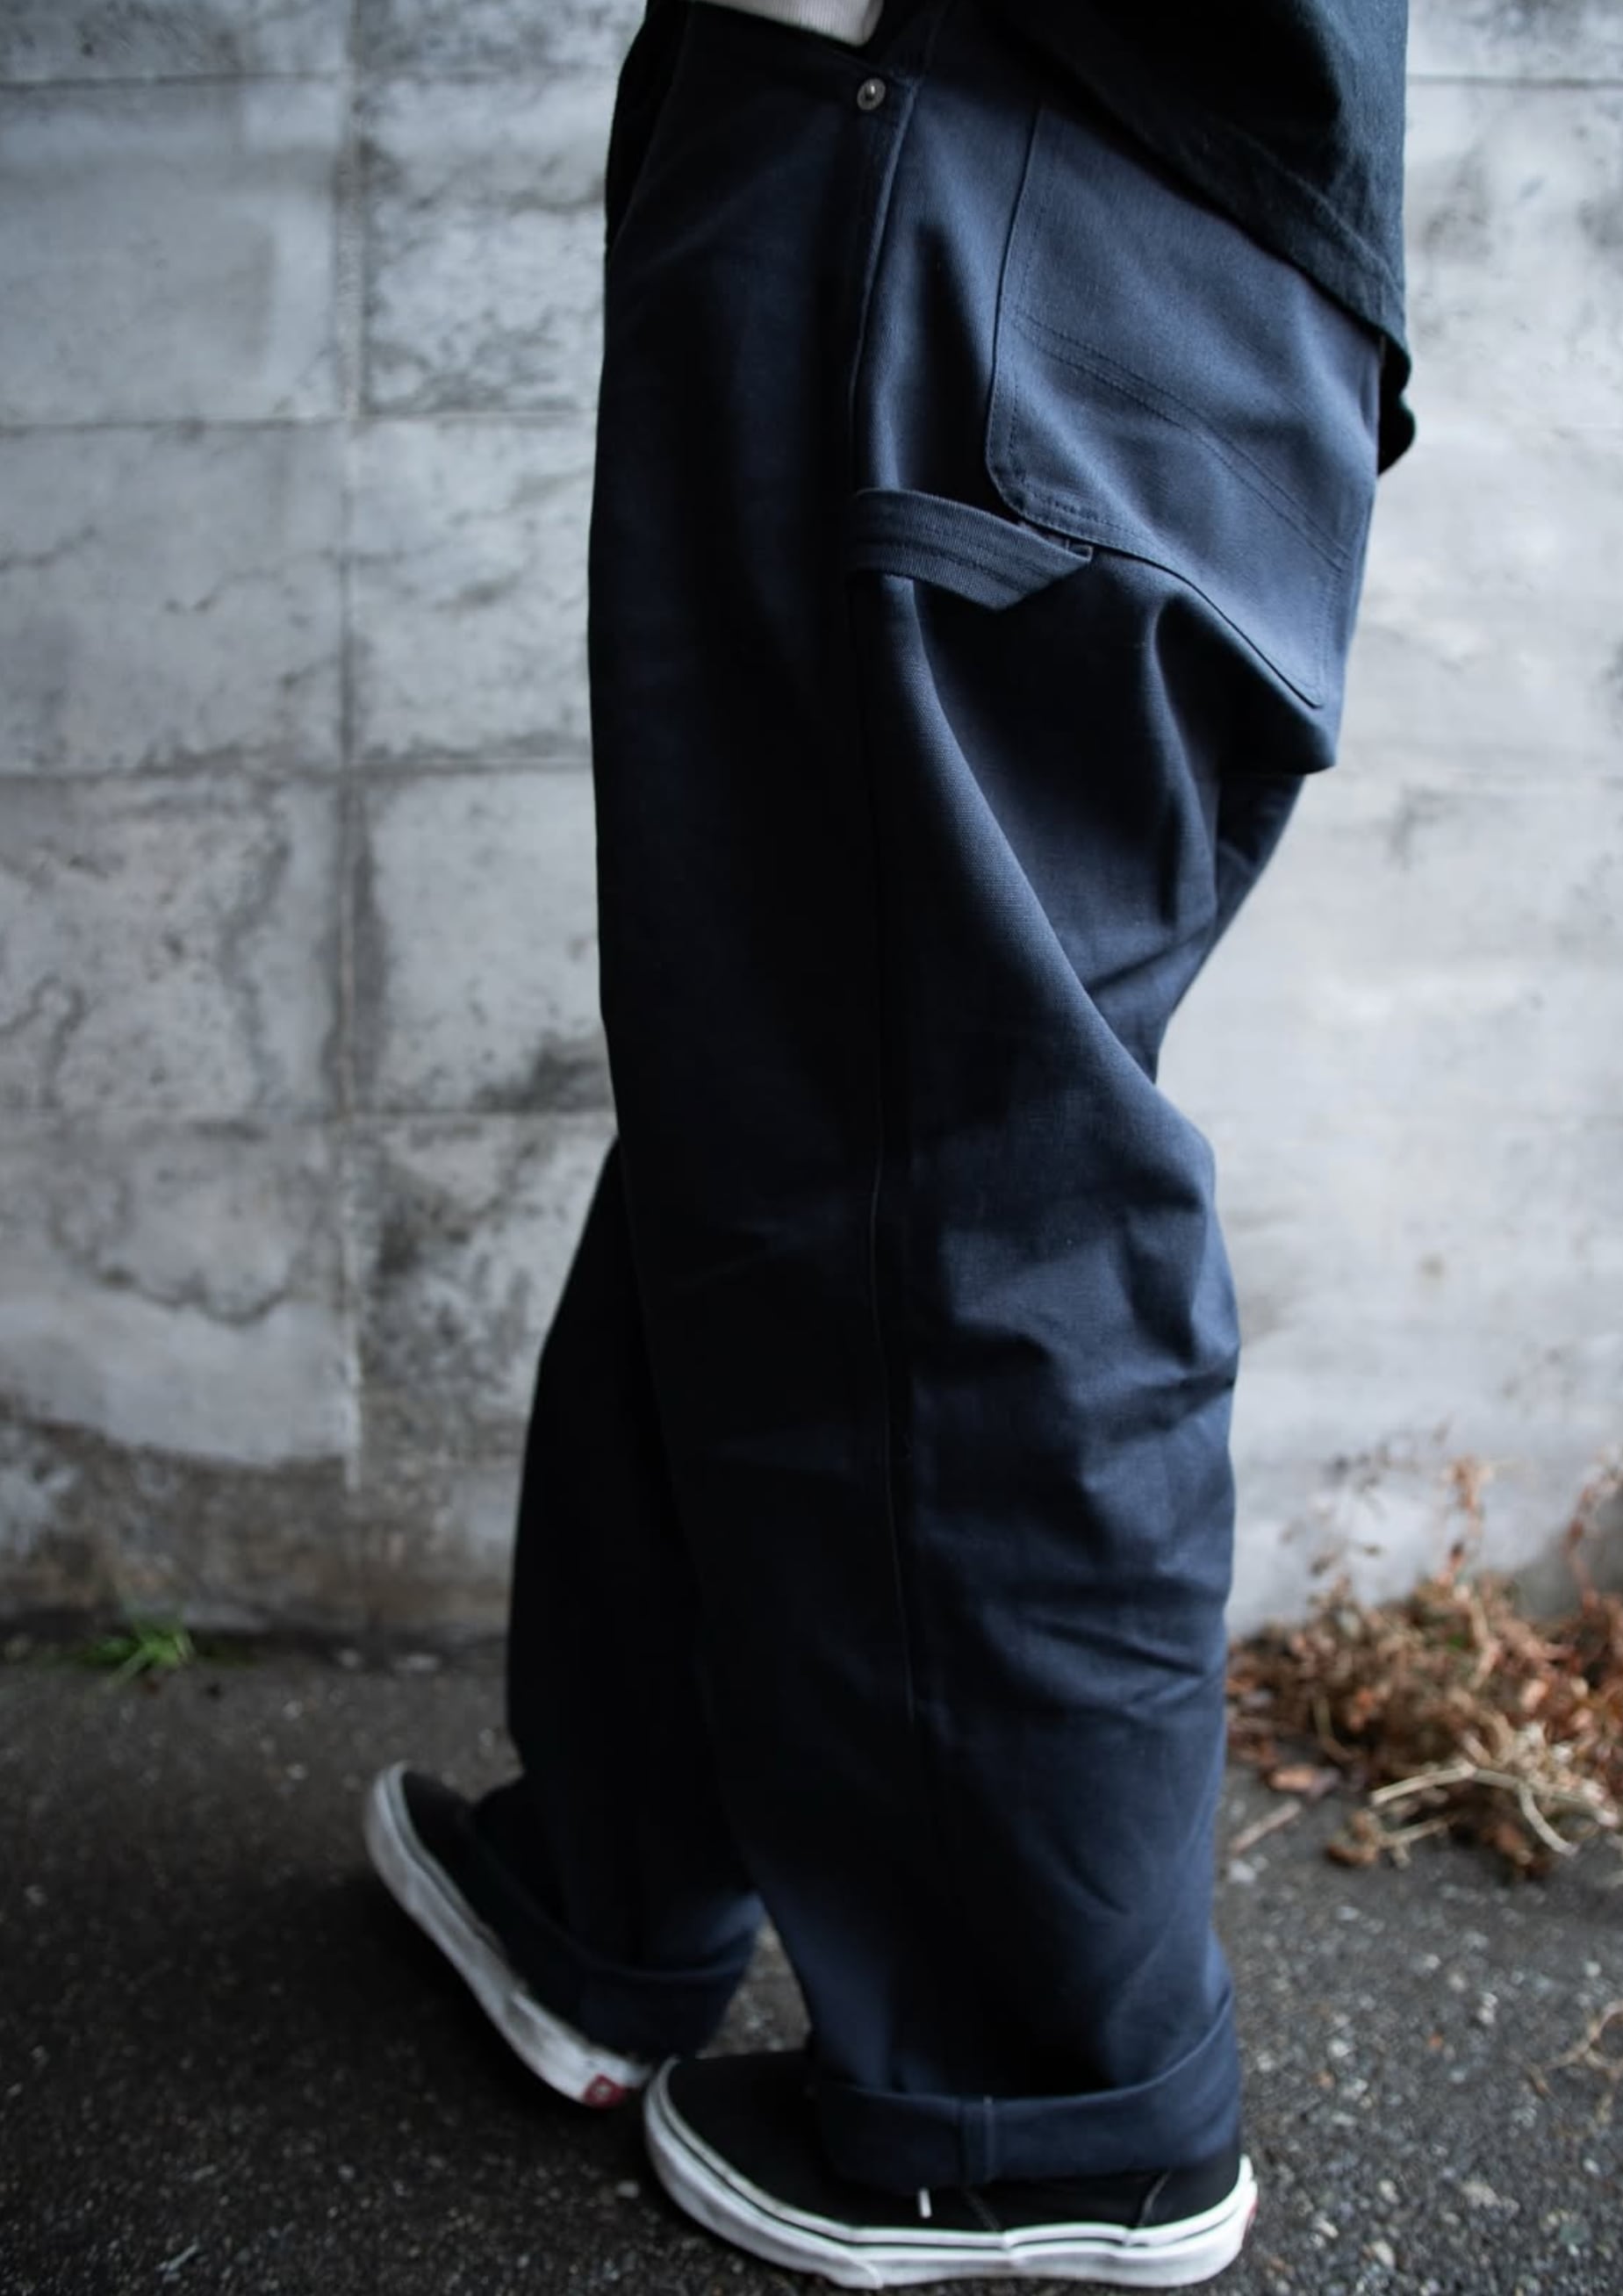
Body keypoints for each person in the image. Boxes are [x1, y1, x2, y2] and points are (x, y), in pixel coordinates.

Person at [364, 0, 1411, 2283]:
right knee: (798, 1088)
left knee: (953, 1179)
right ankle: (617, 1888)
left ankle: (1050, 2114)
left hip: (953, 168)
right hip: (1181, 260)